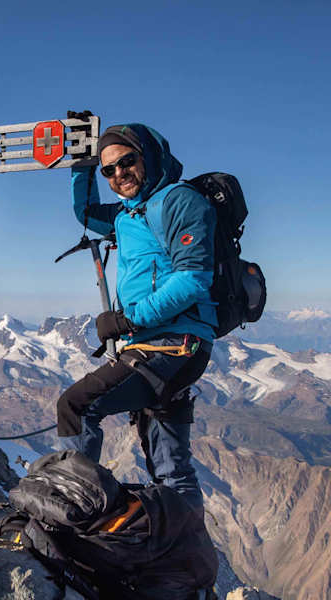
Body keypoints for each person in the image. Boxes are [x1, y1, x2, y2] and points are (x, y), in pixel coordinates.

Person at [56, 123, 216, 508]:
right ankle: (185, 552)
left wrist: (129, 320)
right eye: (108, 170)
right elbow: (86, 212)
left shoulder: (179, 201)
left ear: (149, 156)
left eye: (127, 162)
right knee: (170, 467)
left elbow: (193, 279)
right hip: (158, 343)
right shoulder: (127, 215)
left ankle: (73, 513)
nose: (118, 174)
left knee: (75, 406)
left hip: (174, 343)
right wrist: (82, 164)